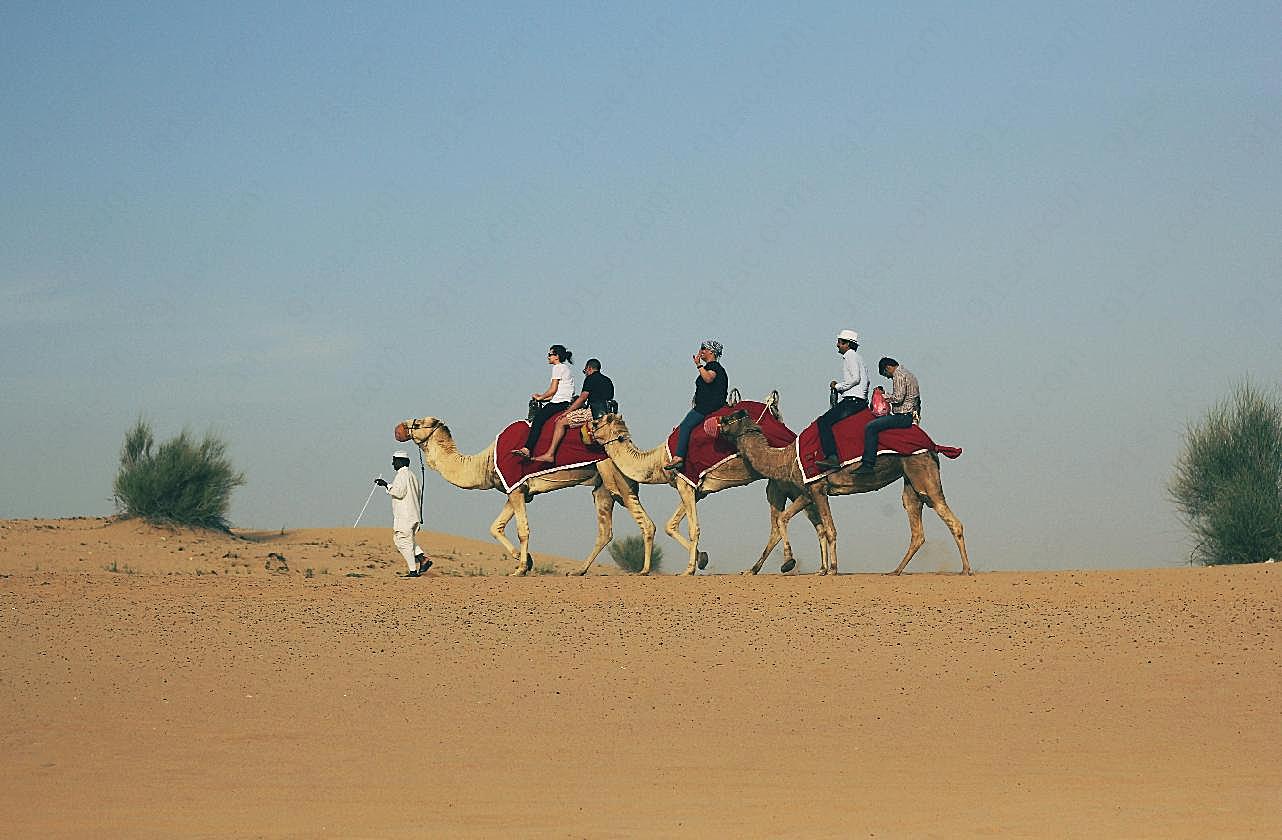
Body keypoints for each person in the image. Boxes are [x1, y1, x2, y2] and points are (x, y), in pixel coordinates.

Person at [532, 358, 615, 464]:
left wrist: (567, 412)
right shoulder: (608, 380)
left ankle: (550, 454)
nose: (585, 373)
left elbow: (582, 398)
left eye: (585, 371)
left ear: (589, 368)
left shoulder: (590, 378)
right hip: (608, 414)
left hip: (593, 413)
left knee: (560, 422)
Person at [665, 339, 728, 471]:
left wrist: (698, 365)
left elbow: (708, 378)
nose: (701, 352)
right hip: (707, 405)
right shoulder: (712, 367)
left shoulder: (714, 367)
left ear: (711, 352)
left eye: (703, 349)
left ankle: (679, 457)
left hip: (707, 407)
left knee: (685, 426)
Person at [814, 329, 869, 471]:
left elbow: (855, 379)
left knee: (823, 422)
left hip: (853, 401)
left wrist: (837, 386)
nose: (837, 345)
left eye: (840, 342)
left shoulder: (850, 356)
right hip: (856, 400)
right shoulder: (857, 358)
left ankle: (832, 457)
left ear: (848, 344)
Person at [855, 357, 920, 475]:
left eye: (886, 374)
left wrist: (882, 395)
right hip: (908, 414)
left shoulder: (898, 375)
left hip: (902, 416)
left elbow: (898, 398)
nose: (888, 377)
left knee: (870, 427)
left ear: (888, 367)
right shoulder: (908, 374)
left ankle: (868, 463)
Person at [513, 344, 576, 459]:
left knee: (538, 420)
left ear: (556, 356)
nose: (548, 357)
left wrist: (540, 398)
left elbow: (553, 390)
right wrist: (542, 398)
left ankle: (527, 449)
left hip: (559, 403)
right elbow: (556, 394)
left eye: (550, 354)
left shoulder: (557, 368)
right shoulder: (565, 368)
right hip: (563, 401)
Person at [374, 450, 430, 577]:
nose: (392, 463)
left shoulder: (402, 475)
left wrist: (386, 485)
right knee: (406, 540)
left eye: (394, 460)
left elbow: (399, 492)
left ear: (400, 461)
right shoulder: (412, 476)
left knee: (402, 541)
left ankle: (413, 571)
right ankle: (422, 559)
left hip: (405, 516)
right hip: (414, 515)